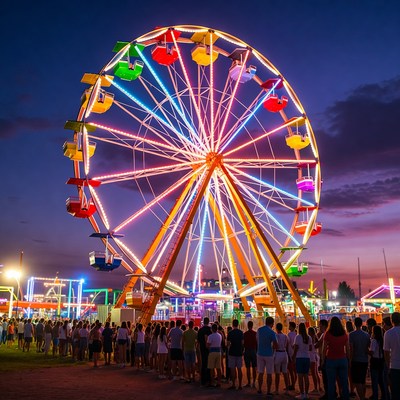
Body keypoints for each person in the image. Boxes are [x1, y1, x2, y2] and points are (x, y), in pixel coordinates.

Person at [321, 316, 350, 400]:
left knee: (331, 383)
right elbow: (348, 348)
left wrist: (323, 360)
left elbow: (324, 349)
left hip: (331, 360)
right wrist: (348, 359)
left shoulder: (328, 334)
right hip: (342, 359)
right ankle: (345, 397)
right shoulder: (344, 333)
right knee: (344, 382)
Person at [349, 317, 370, 400]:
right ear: (362, 324)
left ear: (354, 323)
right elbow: (368, 347)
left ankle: (361, 397)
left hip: (356, 360)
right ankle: (363, 396)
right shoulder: (366, 334)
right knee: (362, 380)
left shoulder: (351, 334)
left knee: (357, 381)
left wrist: (350, 360)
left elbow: (351, 349)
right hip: (364, 360)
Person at [257, 316, 278, 398]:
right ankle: (268, 391)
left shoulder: (259, 330)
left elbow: (257, 340)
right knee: (269, 373)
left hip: (260, 353)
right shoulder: (272, 332)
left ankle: (259, 389)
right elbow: (276, 345)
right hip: (269, 354)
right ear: (272, 323)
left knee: (260, 372)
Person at [369, 325, 388, 400]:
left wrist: (366, 350)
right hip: (381, 361)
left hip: (375, 361)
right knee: (381, 380)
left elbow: (372, 352)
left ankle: (375, 395)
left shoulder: (374, 340)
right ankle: (384, 395)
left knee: (374, 380)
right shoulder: (382, 340)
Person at [384, 311, 400, 399]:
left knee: (395, 392)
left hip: (394, 366)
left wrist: (388, 365)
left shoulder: (388, 333)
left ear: (391, 320)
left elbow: (386, 352)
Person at [293, 322, 312, 400]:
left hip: (299, 358)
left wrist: (293, 356)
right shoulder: (309, 337)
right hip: (307, 358)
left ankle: (302, 393)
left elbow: (296, 348)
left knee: (300, 377)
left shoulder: (297, 337)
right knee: (306, 376)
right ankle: (306, 394)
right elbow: (310, 348)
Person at [227, 318, 244, 390]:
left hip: (232, 352)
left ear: (232, 324)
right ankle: (240, 385)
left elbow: (228, 344)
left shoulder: (230, 333)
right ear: (238, 324)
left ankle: (233, 384)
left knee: (232, 369)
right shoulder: (241, 332)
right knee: (239, 369)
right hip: (239, 352)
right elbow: (243, 343)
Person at [273, 322, 289, 395]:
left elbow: (274, 346)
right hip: (284, 353)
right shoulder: (285, 336)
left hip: (278, 353)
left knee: (277, 373)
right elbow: (287, 345)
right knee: (285, 372)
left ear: (276, 328)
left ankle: (276, 390)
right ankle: (287, 389)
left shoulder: (275, 335)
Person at [315, 319, 329, 400]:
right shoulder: (328, 334)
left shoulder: (324, 334)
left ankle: (328, 393)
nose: (319, 326)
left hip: (325, 358)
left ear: (323, 325)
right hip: (330, 357)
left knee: (326, 377)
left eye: (320, 324)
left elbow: (318, 344)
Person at [206, 323, 222, 387]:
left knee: (211, 368)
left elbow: (207, 345)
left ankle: (212, 382)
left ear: (212, 329)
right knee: (218, 368)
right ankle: (219, 382)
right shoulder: (219, 335)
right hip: (218, 352)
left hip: (212, 352)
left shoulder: (210, 336)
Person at [197, 317, 212, 386]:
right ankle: (208, 379)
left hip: (202, 348)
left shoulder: (200, 330)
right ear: (208, 322)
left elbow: (198, 341)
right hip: (209, 349)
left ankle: (203, 379)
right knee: (209, 363)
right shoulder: (210, 330)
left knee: (203, 363)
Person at [243, 320, 257, 388]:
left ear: (248, 326)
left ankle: (249, 382)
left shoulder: (245, 334)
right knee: (254, 367)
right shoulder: (255, 334)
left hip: (247, 351)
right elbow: (257, 343)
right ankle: (254, 382)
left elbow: (243, 344)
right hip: (254, 351)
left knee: (248, 368)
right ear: (252, 326)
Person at [308, 326, 321, 394]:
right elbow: (318, 344)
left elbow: (309, 348)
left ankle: (316, 388)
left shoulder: (310, 338)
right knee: (316, 372)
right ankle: (319, 386)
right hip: (315, 355)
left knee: (314, 373)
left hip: (311, 356)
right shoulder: (315, 338)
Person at [287, 321, 297, 390]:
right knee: (294, 371)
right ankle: (293, 384)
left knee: (290, 371)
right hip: (295, 354)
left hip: (290, 354)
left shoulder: (290, 334)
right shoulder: (296, 334)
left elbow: (288, 344)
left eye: (289, 325)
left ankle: (292, 385)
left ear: (292, 327)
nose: (288, 326)